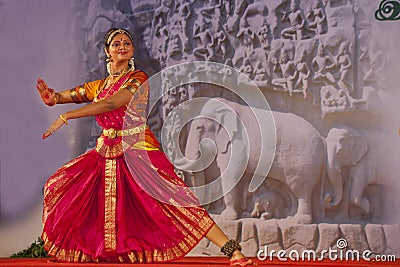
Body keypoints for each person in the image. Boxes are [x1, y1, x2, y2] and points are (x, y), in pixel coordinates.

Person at [36, 28, 254, 266]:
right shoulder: (101, 85)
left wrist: (67, 116)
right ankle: (103, 252)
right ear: (107, 52)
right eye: (116, 43)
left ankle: (233, 251)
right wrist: (54, 98)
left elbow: (111, 104)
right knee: (71, 189)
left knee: (177, 200)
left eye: (127, 43)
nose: (122, 46)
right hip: (106, 151)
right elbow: (73, 94)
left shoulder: (137, 79)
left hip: (139, 150)